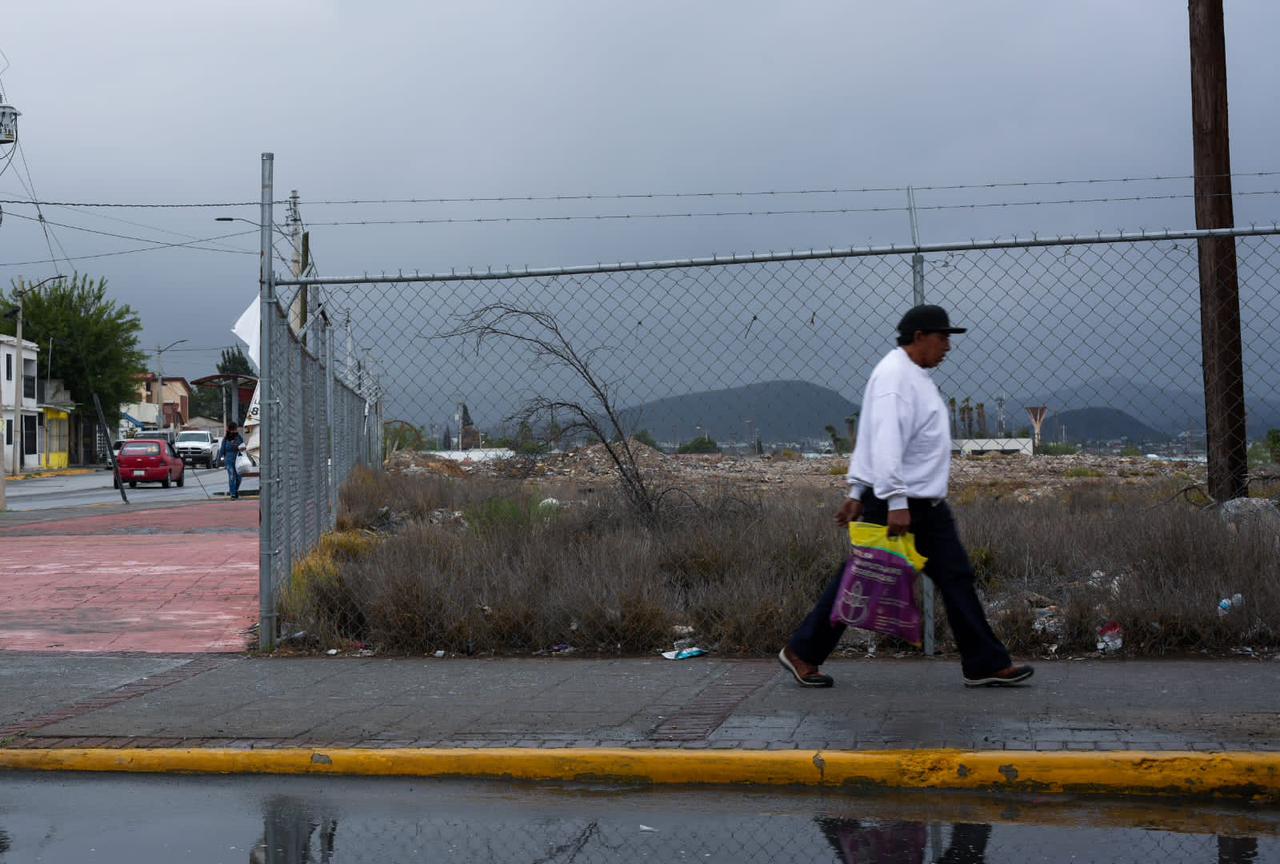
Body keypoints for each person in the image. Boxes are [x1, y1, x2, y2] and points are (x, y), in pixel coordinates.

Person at [779, 305, 1033, 688]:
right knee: (864, 579)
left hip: (921, 504)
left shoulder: (912, 375)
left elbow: (872, 436)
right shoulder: (896, 377)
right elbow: (884, 441)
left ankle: (984, 662)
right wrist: (891, 500)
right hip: (901, 503)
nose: (948, 346)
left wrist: (856, 490)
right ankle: (802, 651)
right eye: (942, 337)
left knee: (952, 577)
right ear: (919, 337)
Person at [221, 422, 244, 500]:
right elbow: (222, 449)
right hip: (229, 460)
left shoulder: (238, 437)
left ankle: (235, 490)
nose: (235, 431)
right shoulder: (225, 439)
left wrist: (239, 448)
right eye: (234, 429)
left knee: (239, 477)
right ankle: (233, 493)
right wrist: (220, 459)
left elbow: (243, 447)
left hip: (238, 459)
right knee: (231, 476)